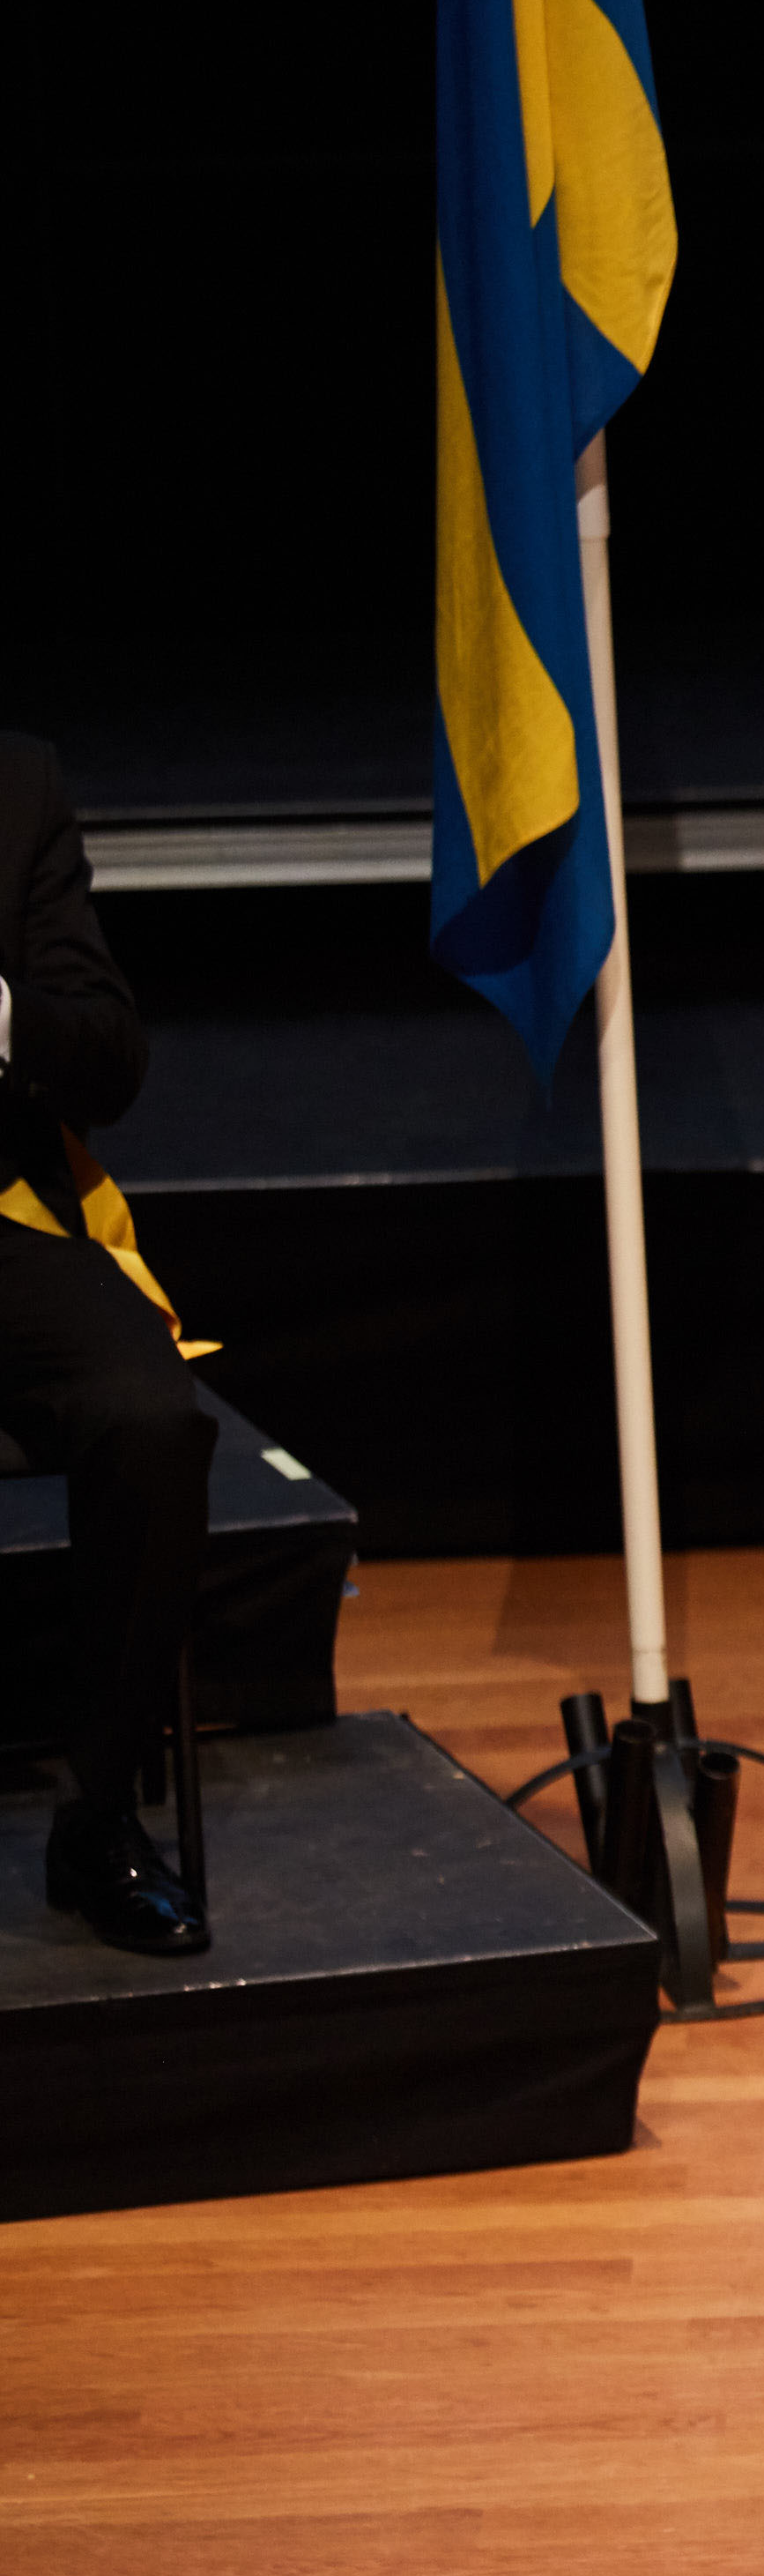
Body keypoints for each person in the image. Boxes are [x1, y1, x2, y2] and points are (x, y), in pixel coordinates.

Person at [0, 736, 218, 1957]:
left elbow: (108, 1051)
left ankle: (96, 1816)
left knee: (152, 1416)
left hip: (4, 1227)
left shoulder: (16, 788)